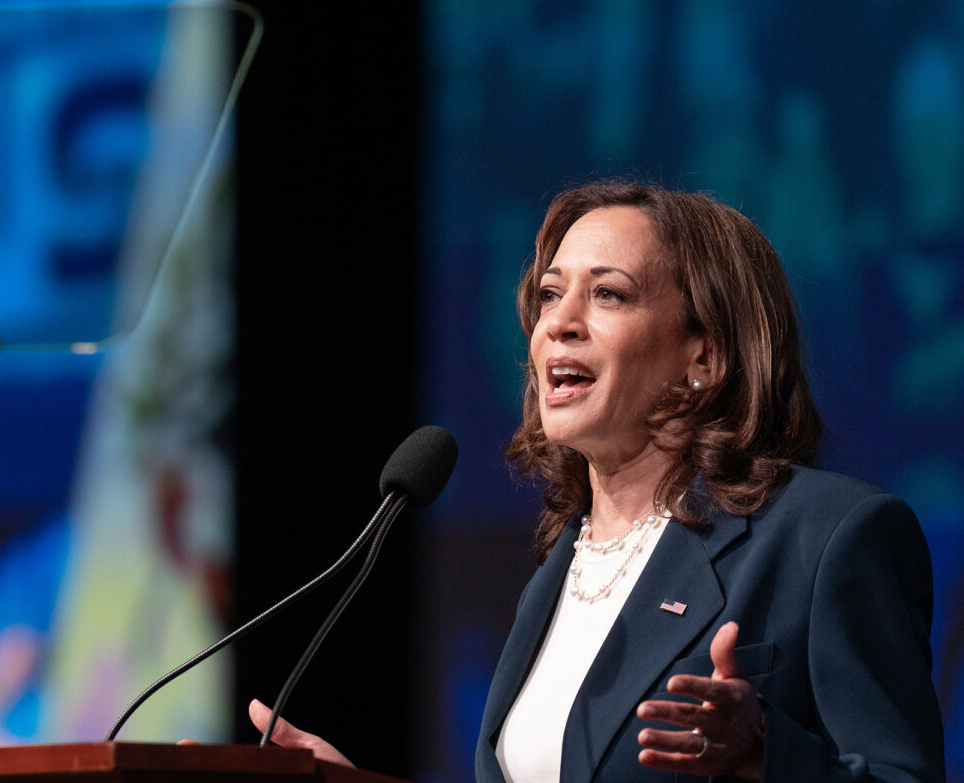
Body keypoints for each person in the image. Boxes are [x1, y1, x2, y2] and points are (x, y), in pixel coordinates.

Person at [257, 181, 945, 782]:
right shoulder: (559, 574)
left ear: (702, 354)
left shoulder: (826, 537)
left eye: (608, 294)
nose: (559, 323)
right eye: (551, 294)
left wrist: (766, 753)